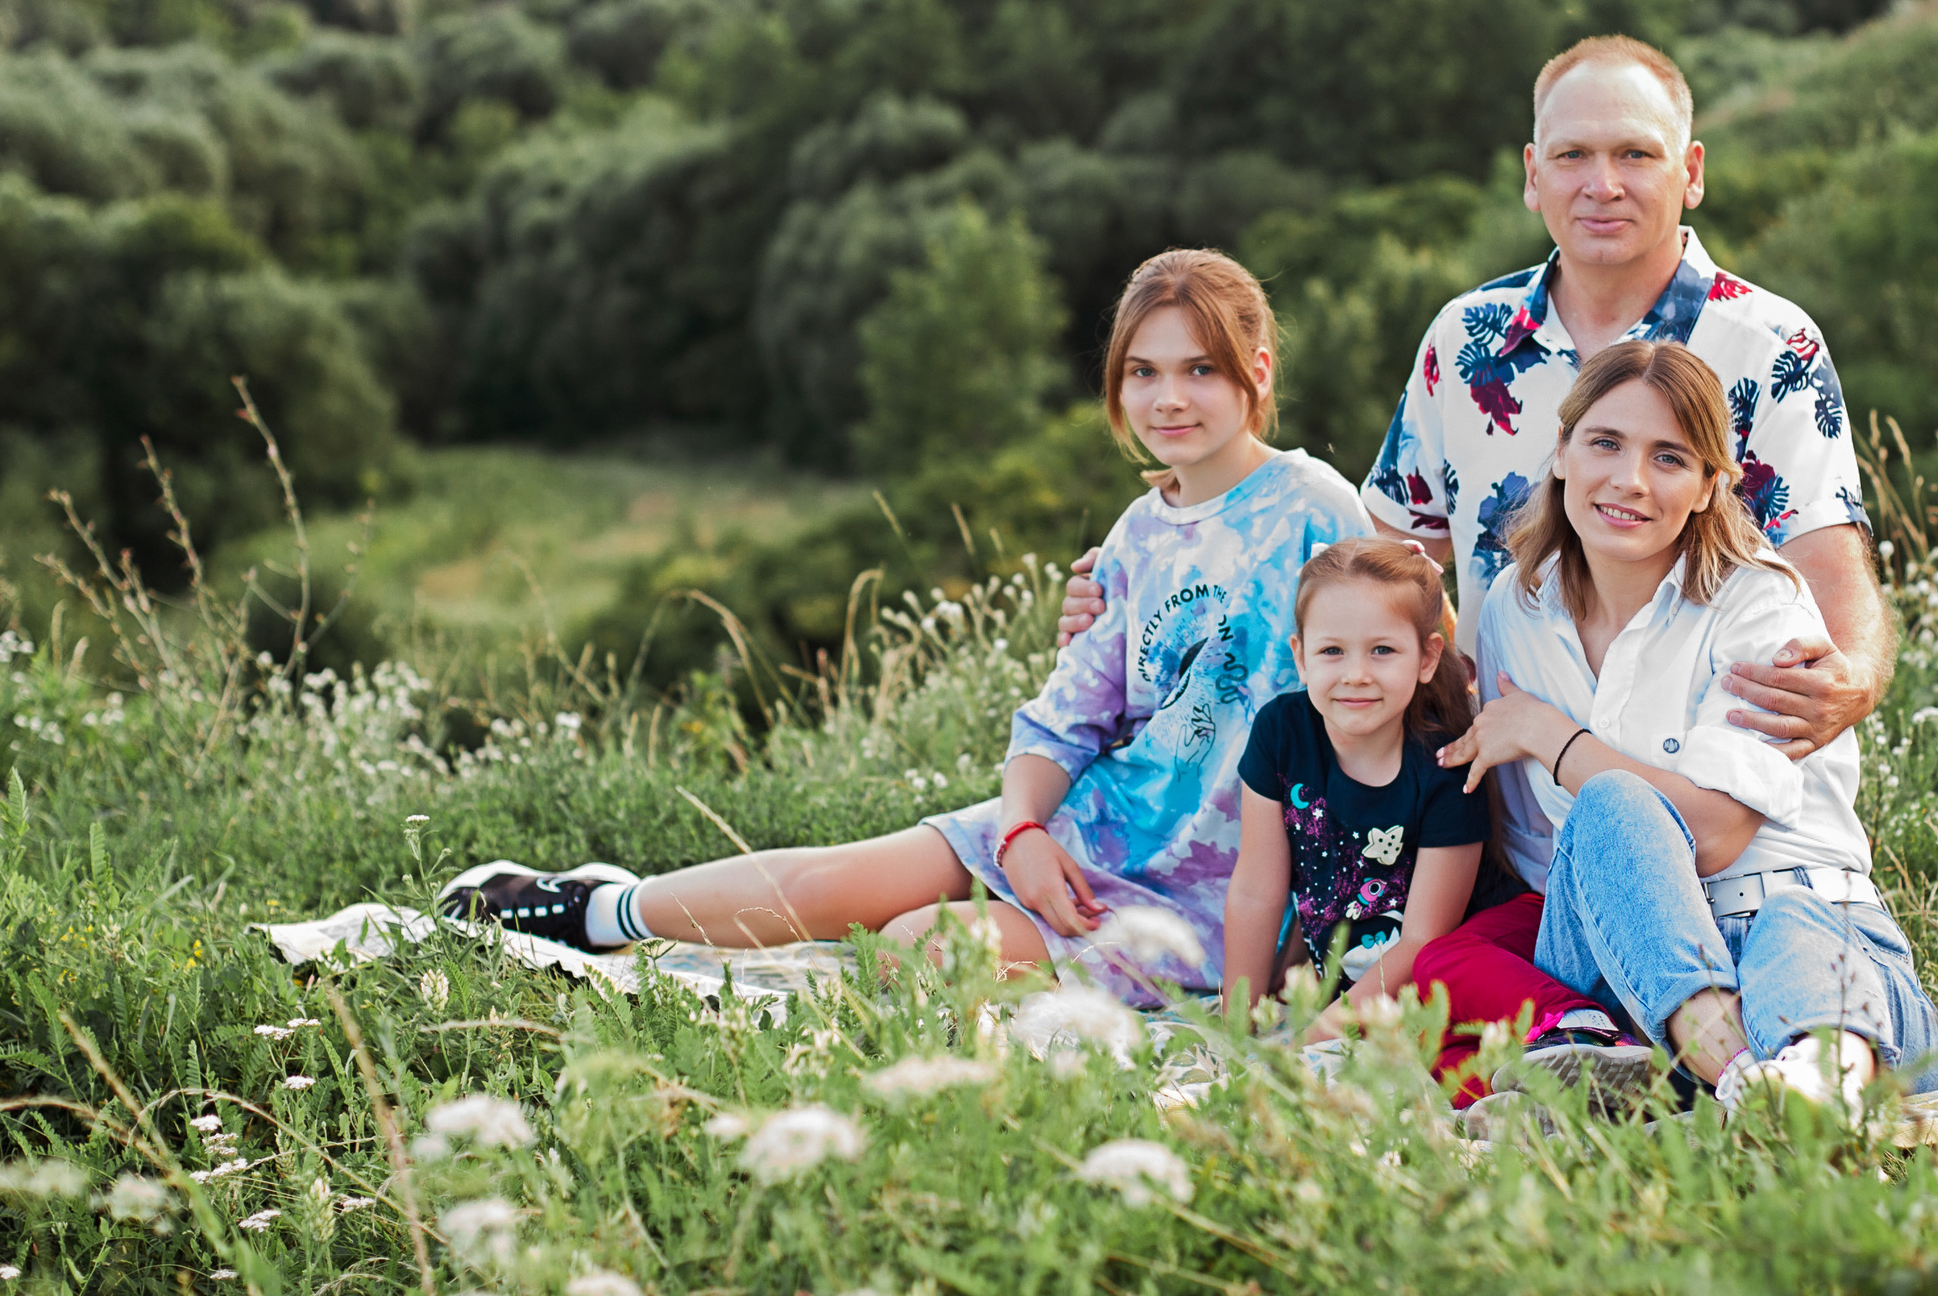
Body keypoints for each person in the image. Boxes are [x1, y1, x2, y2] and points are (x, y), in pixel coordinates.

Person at [439, 249, 1371, 1001]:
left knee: (915, 951)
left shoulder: (1311, 507)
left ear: (1257, 370)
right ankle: (598, 907)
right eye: (1144, 372)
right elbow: (1067, 719)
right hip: (1099, 824)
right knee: (827, 886)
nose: (1169, 398)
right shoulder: (1135, 536)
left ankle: (647, 918)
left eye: (1199, 369)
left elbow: (1397, 664)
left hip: (1215, 890)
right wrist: (1022, 835)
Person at [1061, 33, 1895, 765]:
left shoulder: (1769, 346)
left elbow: (1831, 578)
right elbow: (1379, 565)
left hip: (1689, 793)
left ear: (1693, 171)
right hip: (1496, 790)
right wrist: (1150, 579)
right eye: (1571, 156)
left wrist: (1850, 682)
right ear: (1534, 177)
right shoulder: (1465, 343)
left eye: (1635, 154)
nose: (1601, 184)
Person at [1428, 341, 1938, 1114]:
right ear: (1562, 451)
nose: (1629, 480)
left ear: (1711, 485)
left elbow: (1711, 833)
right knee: (1608, 809)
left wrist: (1550, 735)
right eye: (1605, 442)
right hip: (1628, 968)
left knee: (1793, 926)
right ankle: (1747, 1080)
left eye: (1669, 457)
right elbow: (1542, 853)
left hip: (1814, 935)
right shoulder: (1516, 605)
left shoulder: (1759, 604)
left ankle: (1802, 1085)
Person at [1224, 536, 1520, 1042]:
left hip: (1433, 986)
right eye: (1331, 651)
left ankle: (1567, 1037)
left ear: (1426, 658)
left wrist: (1313, 1039)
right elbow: (1256, 889)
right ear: (1300, 656)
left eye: (1382, 651)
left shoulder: (1445, 766)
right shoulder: (1282, 733)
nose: (1356, 675)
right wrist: (1237, 1028)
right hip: (1345, 999)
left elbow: (1426, 938)